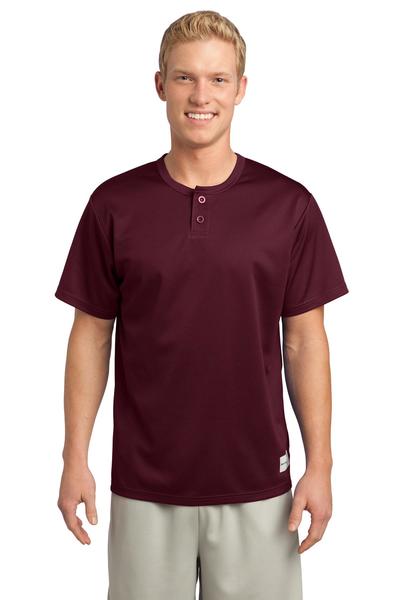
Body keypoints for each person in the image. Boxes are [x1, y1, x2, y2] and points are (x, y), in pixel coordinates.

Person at [55, 10, 349, 600]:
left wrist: (320, 465)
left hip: (260, 486)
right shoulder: (113, 204)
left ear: (241, 89)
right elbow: (91, 334)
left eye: (218, 79)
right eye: (185, 77)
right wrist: (74, 458)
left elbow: (304, 341)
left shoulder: (289, 206)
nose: (200, 96)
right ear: (160, 85)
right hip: (143, 485)